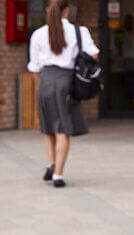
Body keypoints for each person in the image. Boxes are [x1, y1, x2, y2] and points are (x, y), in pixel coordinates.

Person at [27, 0, 99, 188]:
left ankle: (51, 164)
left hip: (44, 80)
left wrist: (41, 83)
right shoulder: (79, 32)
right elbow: (94, 55)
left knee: (48, 126)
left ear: (47, 11)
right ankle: (58, 175)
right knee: (62, 129)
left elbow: (34, 65)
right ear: (67, 11)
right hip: (66, 80)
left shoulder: (38, 34)